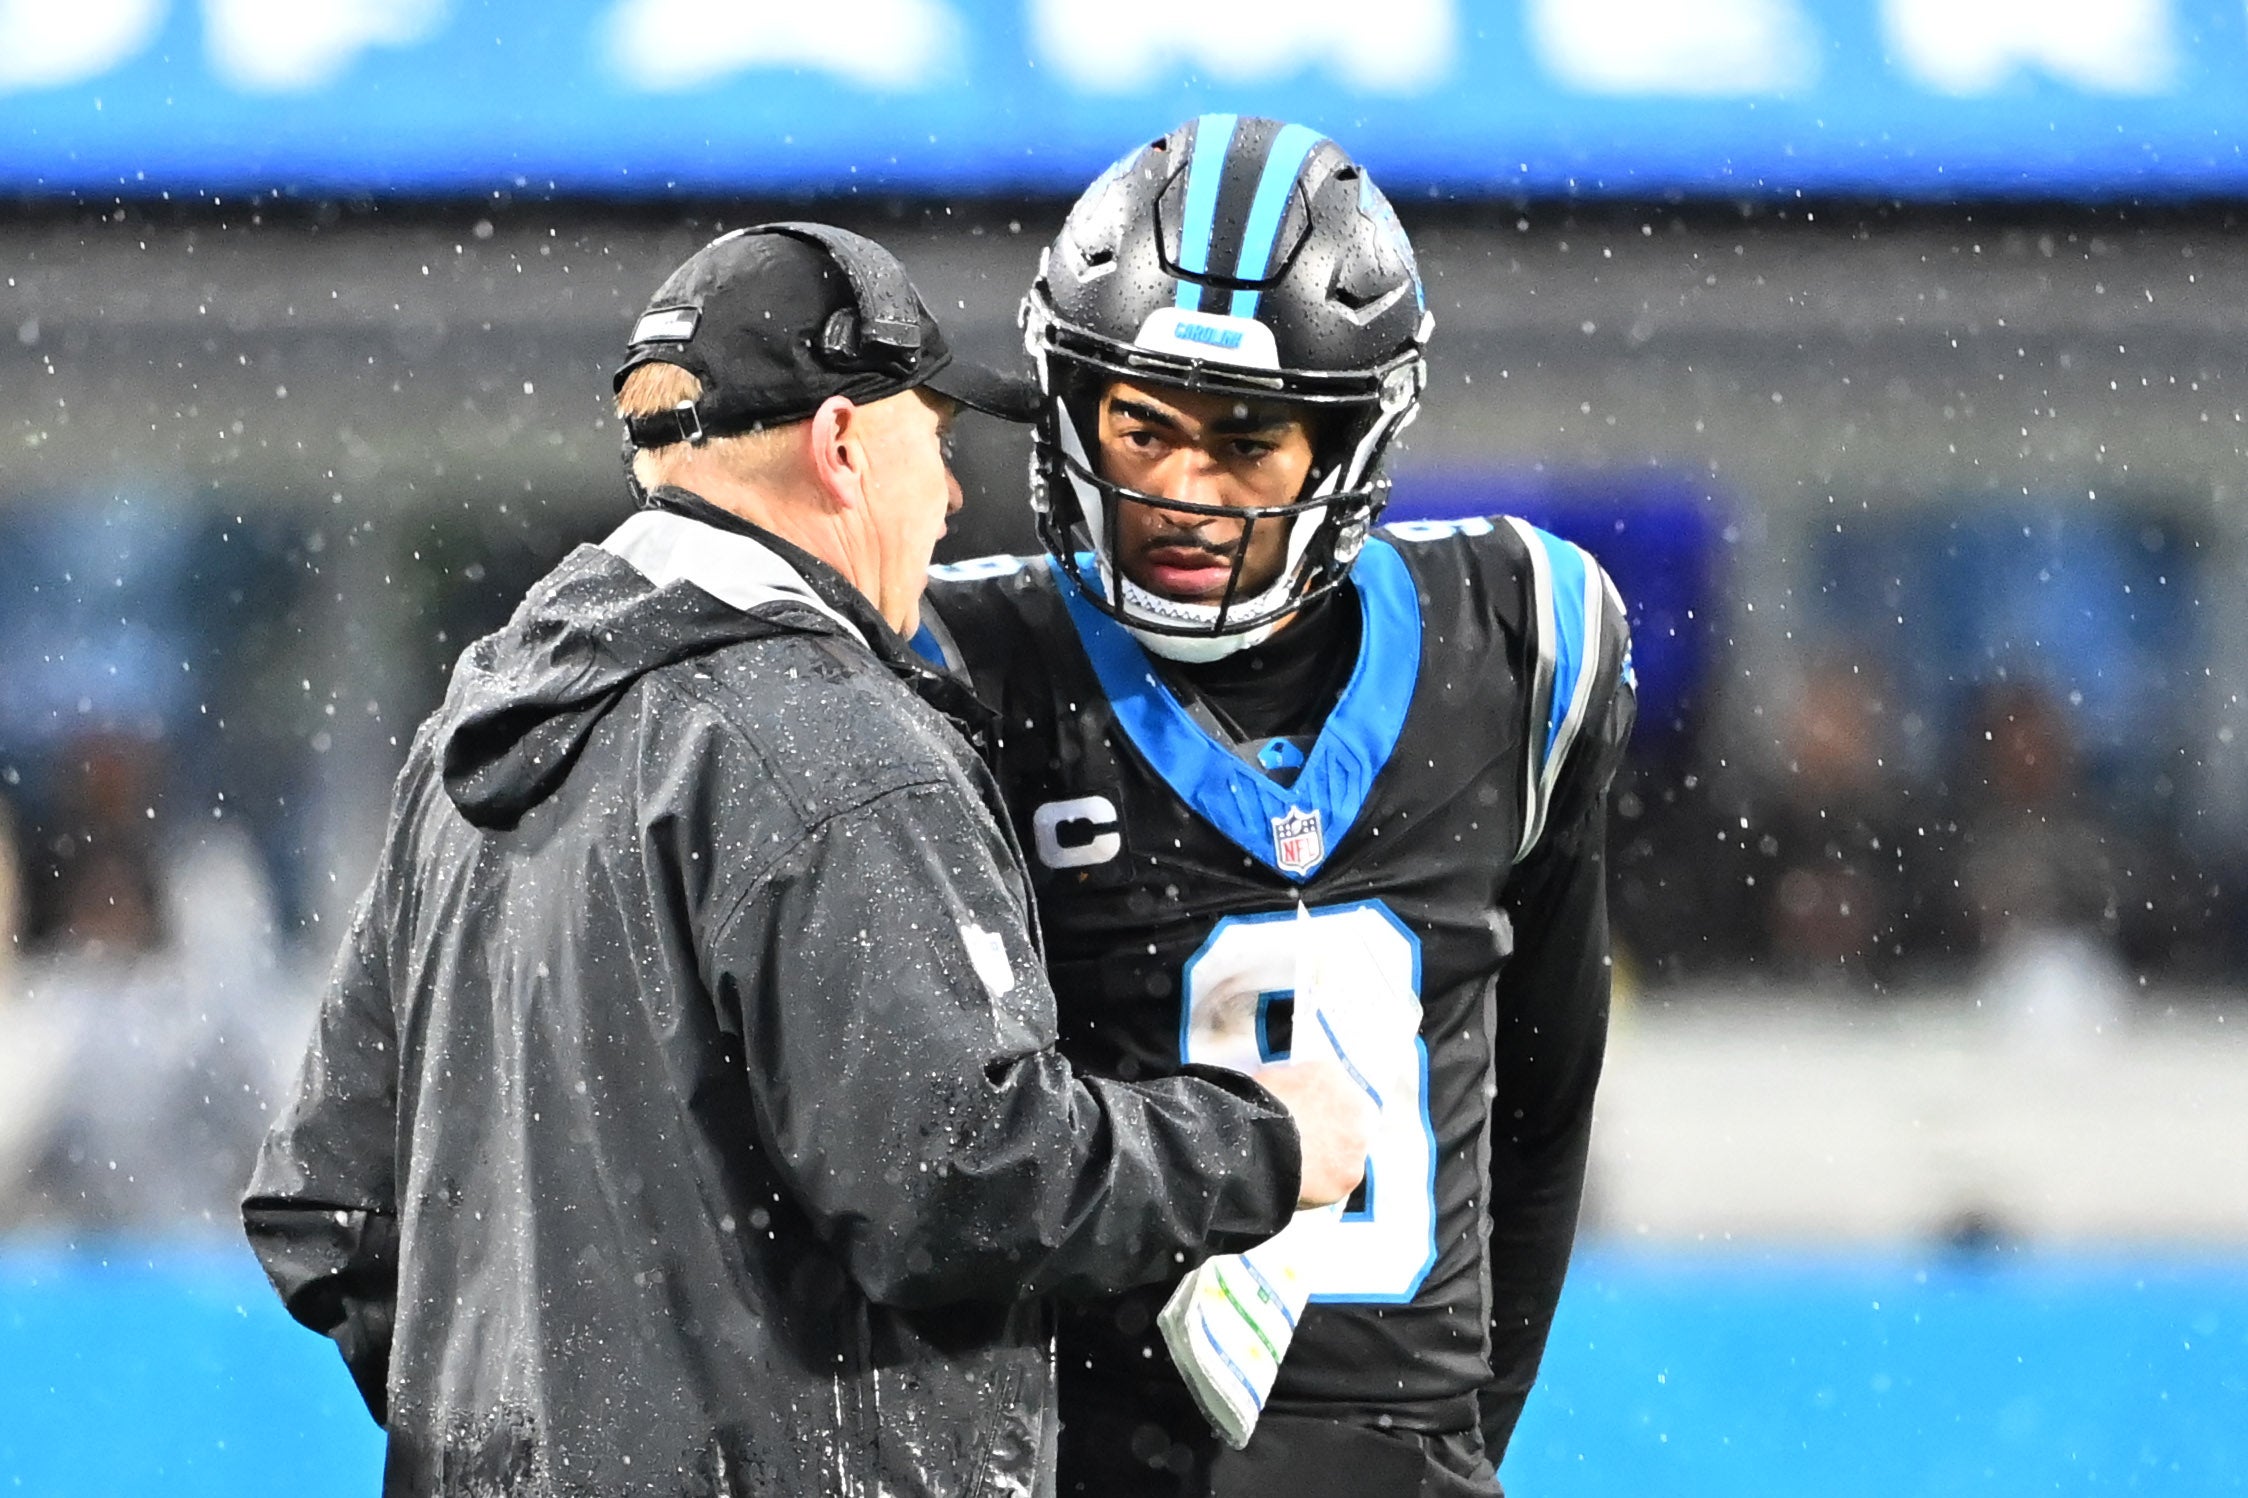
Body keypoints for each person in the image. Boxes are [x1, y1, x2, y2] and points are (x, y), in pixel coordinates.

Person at [242, 222, 1375, 1497]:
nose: (951, 498)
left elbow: (328, 1209)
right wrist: (1262, 1143)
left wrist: (551, 1435)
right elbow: (960, 1179)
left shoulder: (479, 729)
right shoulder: (832, 740)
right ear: (842, 446)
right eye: (934, 442)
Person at [915, 118, 1637, 1496]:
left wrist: (1445, 1442)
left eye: (1247, 441)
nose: (1182, 493)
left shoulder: (1519, 643)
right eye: (1142, 427)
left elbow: (1545, 1101)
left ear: (1347, 443)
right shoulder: (963, 673)